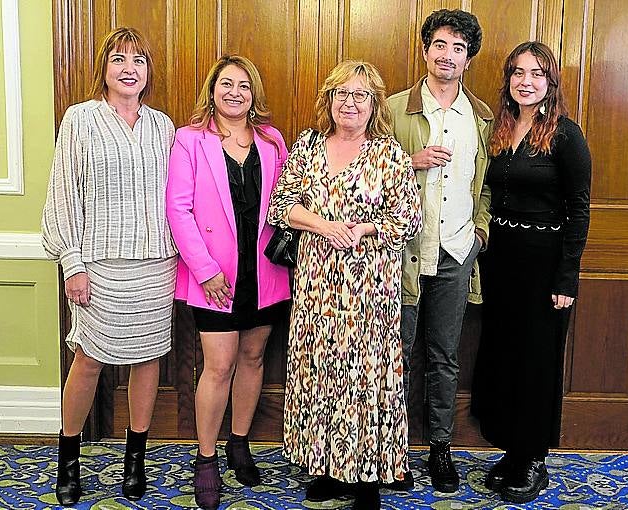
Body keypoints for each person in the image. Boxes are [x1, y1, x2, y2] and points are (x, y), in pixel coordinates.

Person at [269, 60, 421, 510]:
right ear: (328, 101)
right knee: (321, 373)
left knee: (367, 378)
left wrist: (363, 230)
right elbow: (282, 206)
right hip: (316, 285)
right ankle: (326, 467)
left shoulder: (389, 153)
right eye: (341, 94)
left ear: (374, 104)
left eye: (360, 95)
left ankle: (367, 476)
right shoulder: (308, 147)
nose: (349, 103)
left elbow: (408, 218)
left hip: (369, 289)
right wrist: (324, 225)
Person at [41, 27, 177, 505]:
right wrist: (71, 263)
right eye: (119, 59)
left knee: (148, 360)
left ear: (148, 72)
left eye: (138, 60)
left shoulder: (163, 126)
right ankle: (69, 458)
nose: (129, 68)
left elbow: (176, 198)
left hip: (157, 264)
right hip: (97, 265)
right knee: (89, 360)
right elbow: (62, 193)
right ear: (104, 68)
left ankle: (134, 459)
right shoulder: (80, 119)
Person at [165, 55, 291, 510]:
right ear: (212, 90)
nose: (235, 92)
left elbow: (289, 201)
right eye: (226, 84)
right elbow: (178, 210)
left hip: (265, 273)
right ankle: (206, 458)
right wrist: (205, 270)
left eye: (244, 85)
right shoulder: (190, 140)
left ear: (253, 93)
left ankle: (240, 442)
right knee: (218, 366)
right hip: (213, 276)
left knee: (253, 357)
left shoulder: (272, 140)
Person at [471, 41, 591, 504]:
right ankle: (512, 450)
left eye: (537, 74)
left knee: (537, 361)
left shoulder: (566, 135)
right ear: (508, 81)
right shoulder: (498, 129)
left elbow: (579, 209)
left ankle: (533, 457)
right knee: (504, 355)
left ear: (550, 83)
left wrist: (567, 278)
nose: (526, 81)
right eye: (518, 73)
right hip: (499, 263)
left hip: (544, 268)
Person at [387, 9, 492, 493]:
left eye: (458, 48)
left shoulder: (483, 117)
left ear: (468, 58)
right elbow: (365, 176)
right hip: (403, 253)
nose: (448, 55)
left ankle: (440, 448)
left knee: (445, 356)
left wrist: (479, 235)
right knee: (397, 354)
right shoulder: (390, 109)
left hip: (455, 251)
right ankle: (393, 450)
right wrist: (412, 161)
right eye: (441, 45)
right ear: (426, 49)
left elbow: (486, 186)